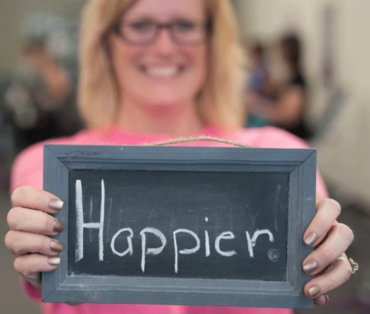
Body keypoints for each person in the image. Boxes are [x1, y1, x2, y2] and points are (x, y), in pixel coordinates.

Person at [5, 0, 355, 314]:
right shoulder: (51, 167)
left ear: (212, 41)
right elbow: (45, 263)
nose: (163, 46)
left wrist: (324, 250)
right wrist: (43, 261)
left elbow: (317, 242)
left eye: (185, 26)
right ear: (105, 41)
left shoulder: (277, 155)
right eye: (140, 25)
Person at [246, 34, 311, 139]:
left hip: (293, 135)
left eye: (278, 51)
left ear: (286, 52)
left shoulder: (297, 82)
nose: (274, 56)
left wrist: (257, 106)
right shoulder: (286, 78)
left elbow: (286, 116)